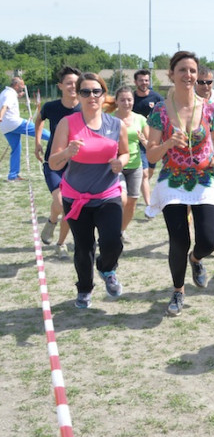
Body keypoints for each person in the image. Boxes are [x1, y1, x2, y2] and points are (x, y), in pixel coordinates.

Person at [146, 51, 214, 316]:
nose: (189, 75)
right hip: (174, 177)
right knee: (178, 240)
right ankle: (178, 291)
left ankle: (197, 259)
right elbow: (152, 154)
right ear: (171, 74)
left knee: (209, 239)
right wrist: (168, 143)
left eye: (192, 71)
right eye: (182, 70)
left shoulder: (210, 107)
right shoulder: (160, 111)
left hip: (204, 176)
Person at [47, 73, 129, 309]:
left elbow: (125, 152)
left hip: (108, 194)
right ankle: (84, 289)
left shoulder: (116, 124)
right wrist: (67, 152)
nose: (91, 96)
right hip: (76, 197)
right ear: (79, 95)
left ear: (104, 95)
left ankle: (107, 269)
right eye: (85, 92)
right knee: (83, 248)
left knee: (113, 241)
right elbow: (54, 163)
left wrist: (121, 162)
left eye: (96, 91)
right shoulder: (68, 123)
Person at [35, 66, 81, 257]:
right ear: (60, 86)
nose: (73, 86)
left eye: (76, 83)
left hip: (78, 165)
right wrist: (37, 142)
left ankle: (59, 241)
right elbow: (39, 120)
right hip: (54, 163)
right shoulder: (51, 107)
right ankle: (54, 220)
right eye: (69, 83)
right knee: (62, 202)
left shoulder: (84, 107)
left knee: (69, 204)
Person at [111, 86, 149, 241]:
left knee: (132, 202)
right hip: (116, 166)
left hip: (135, 165)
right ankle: (111, 229)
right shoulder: (110, 119)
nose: (126, 103)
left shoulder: (140, 119)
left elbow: (150, 145)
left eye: (129, 100)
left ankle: (121, 231)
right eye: (122, 100)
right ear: (116, 101)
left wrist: (144, 141)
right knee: (121, 199)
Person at [1, 76, 48, 181]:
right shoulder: (10, 94)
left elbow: (8, 101)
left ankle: (13, 176)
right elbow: (5, 106)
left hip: (5, 126)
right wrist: (0, 117)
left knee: (16, 148)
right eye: (22, 85)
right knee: (39, 130)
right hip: (14, 122)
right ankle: (57, 137)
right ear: (16, 85)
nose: (23, 87)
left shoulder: (5, 92)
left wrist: (18, 96)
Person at [132, 69, 164, 206]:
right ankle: (148, 204)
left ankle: (140, 185)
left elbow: (165, 114)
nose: (144, 83)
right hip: (134, 140)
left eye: (146, 80)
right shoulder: (131, 98)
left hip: (152, 140)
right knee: (144, 173)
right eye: (141, 80)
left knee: (149, 171)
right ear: (135, 82)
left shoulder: (156, 98)